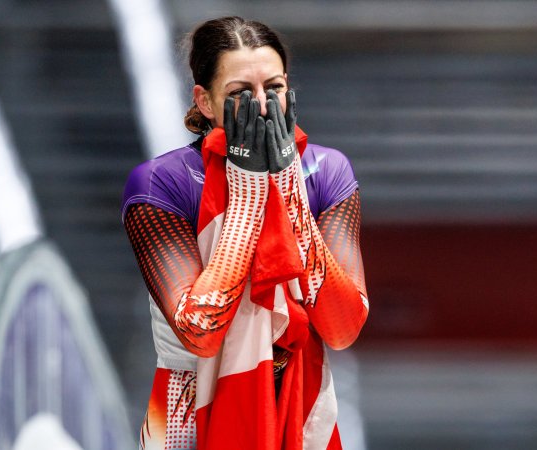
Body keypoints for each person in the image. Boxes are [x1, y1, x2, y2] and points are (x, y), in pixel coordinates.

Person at [121, 16, 369, 450]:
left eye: (272, 89)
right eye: (239, 93)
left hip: (300, 403)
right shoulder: (160, 182)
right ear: (205, 102)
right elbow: (200, 331)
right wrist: (250, 189)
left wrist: (287, 186)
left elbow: (343, 326)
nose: (261, 106)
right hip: (189, 413)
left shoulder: (324, 171)